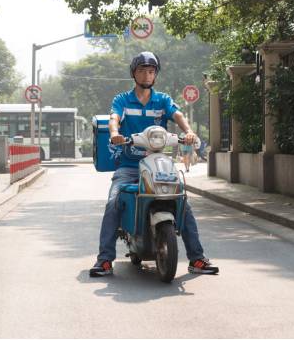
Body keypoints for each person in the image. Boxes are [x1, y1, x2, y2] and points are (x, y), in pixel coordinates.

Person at [89, 52, 219, 277]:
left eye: (151, 71)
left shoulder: (163, 100)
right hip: (129, 166)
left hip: (158, 165)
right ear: (133, 73)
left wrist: (188, 132)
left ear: (155, 74)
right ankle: (105, 260)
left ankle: (197, 258)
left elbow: (178, 115)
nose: (147, 75)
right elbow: (114, 118)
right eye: (142, 70)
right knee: (112, 203)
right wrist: (114, 133)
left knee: (183, 204)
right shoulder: (122, 100)